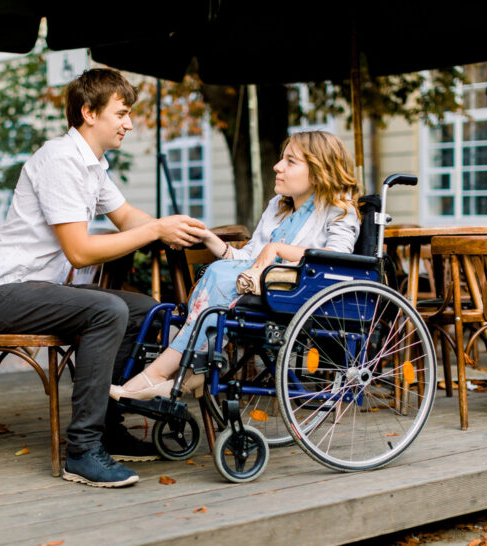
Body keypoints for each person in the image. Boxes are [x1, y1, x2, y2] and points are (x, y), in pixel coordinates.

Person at [0, 68, 205, 488]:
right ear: (88, 113)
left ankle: (110, 429)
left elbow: (127, 216)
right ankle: (81, 451)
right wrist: (153, 231)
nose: (129, 123)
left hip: (37, 290)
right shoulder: (61, 159)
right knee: (107, 308)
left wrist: (174, 229)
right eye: (122, 113)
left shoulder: (92, 164)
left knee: (142, 310)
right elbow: (79, 250)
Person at [110, 130, 361, 400]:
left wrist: (277, 249)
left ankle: (161, 374)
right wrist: (209, 238)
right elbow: (250, 258)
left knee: (218, 277)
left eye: (290, 161)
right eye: (281, 159)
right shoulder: (278, 207)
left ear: (318, 170)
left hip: (299, 293)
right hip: (262, 285)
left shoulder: (339, 210)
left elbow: (337, 260)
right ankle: (186, 372)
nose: (277, 166)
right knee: (217, 274)